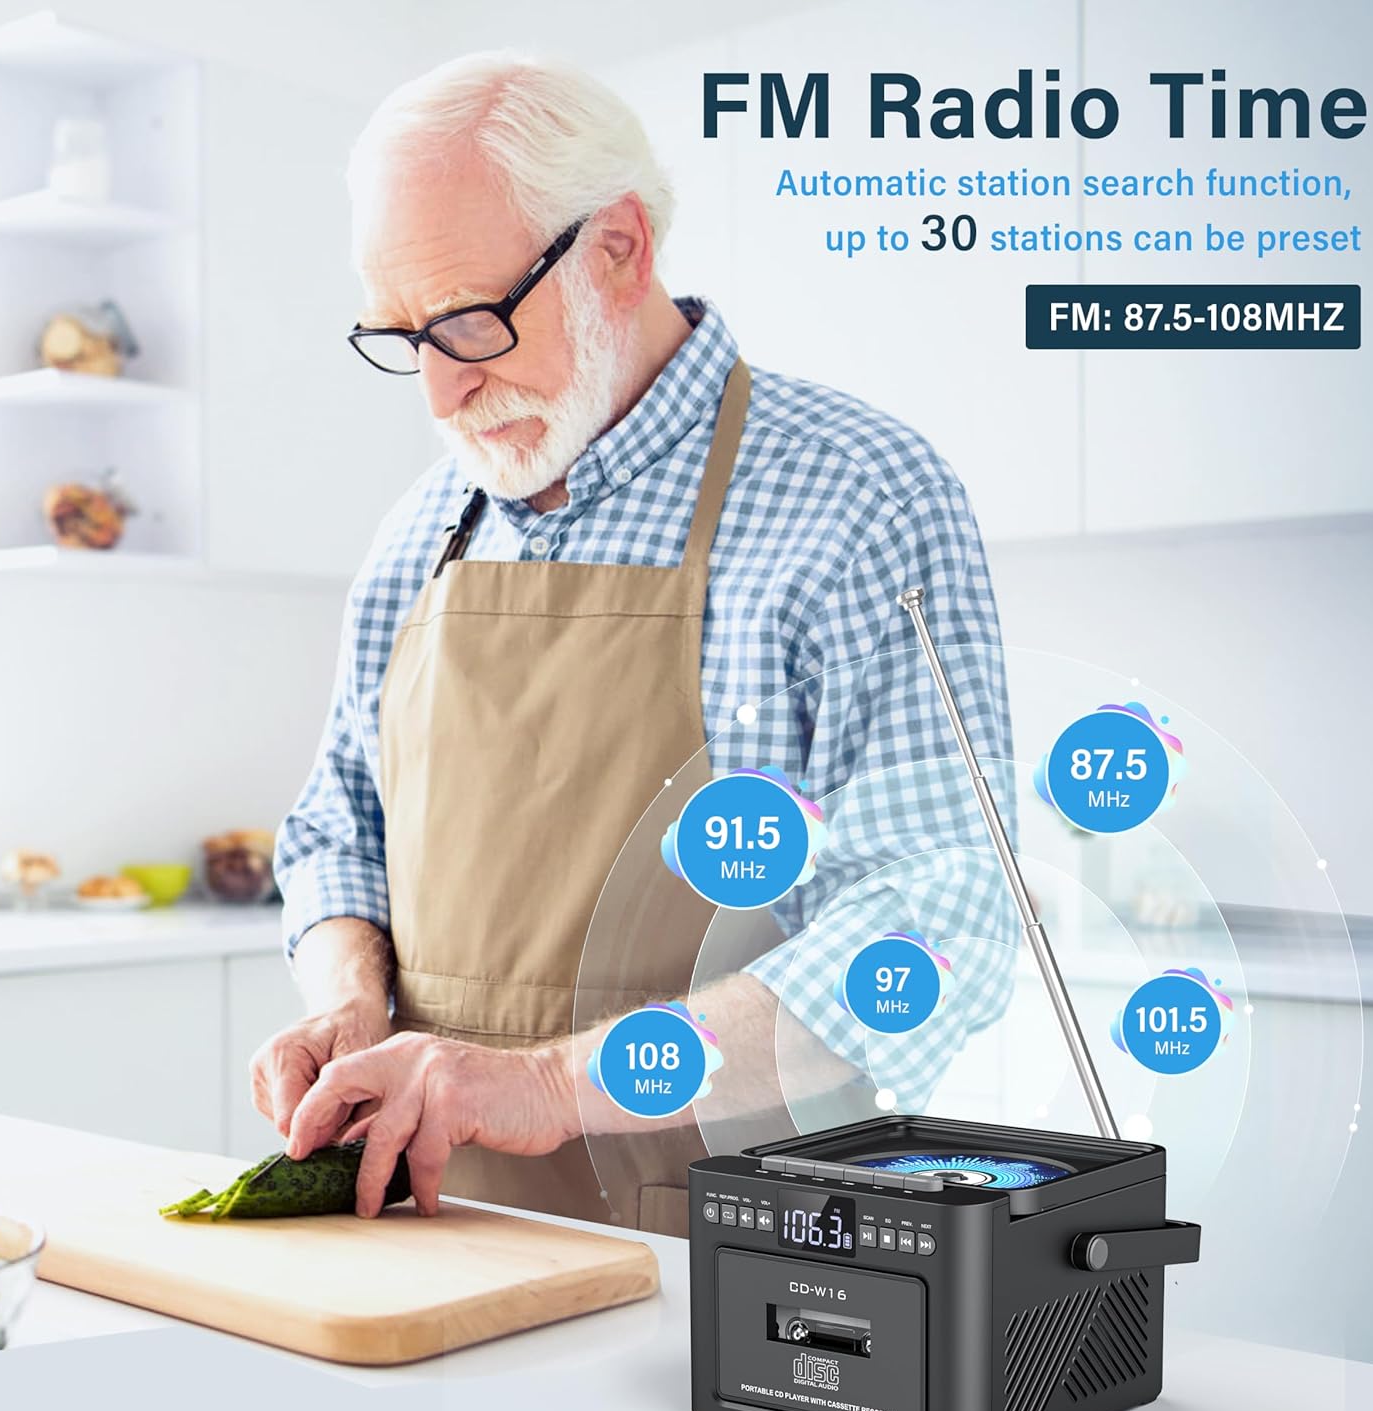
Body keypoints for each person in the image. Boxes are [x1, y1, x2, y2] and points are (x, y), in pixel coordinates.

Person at [251, 52, 1014, 1235]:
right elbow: (336, 823)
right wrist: (351, 998)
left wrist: (552, 1082)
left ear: (617, 245)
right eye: (407, 339)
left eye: (471, 321)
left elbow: (938, 918)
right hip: (431, 1234)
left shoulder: (861, 494)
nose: (441, 396)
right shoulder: (422, 532)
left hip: (743, 1250)